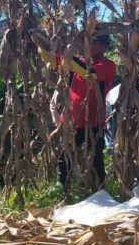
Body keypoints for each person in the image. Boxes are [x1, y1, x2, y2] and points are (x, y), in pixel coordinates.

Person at [41, 35, 116, 194]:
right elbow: (49, 59)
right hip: (71, 121)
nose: (89, 46)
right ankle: (62, 191)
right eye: (87, 42)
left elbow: (90, 74)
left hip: (94, 122)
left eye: (94, 42)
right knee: (64, 157)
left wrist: (68, 57)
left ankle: (101, 193)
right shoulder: (76, 61)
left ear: (104, 46)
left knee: (96, 160)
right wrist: (39, 40)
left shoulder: (107, 65)